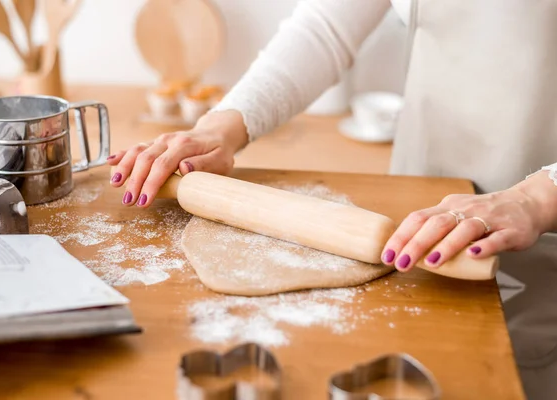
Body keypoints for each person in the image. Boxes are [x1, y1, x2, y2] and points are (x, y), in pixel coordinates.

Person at [107, 1, 557, 397]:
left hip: (538, 224)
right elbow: (328, 24)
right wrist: (222, 126)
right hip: (418, 209)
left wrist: (537, 198)